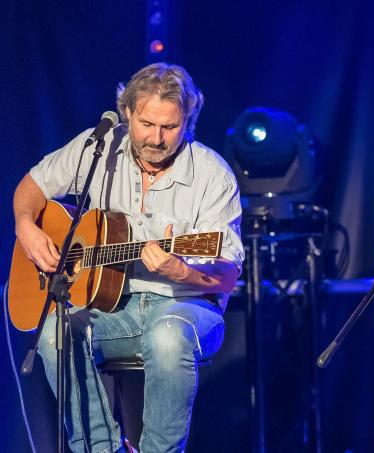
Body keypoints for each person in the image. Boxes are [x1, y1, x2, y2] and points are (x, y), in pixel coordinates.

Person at [13, 63, 244, 453]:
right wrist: (27, 228)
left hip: (185, 307)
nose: (156, 138)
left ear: (188, 120)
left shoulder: (212, 174)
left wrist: (180, 270)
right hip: (112, 308)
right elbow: (31, 187)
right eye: (147, 124)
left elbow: (225, 277)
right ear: (127, 113)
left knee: (167, 338)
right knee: (53, 332)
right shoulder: (96, 149)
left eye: (170, 127)